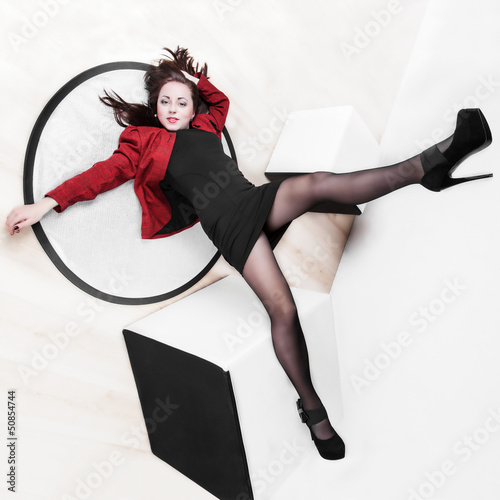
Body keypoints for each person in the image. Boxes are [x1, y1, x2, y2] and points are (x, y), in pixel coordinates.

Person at [6, 47, 493, 461]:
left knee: (317, 183)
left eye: (182, 100)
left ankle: (429, 164)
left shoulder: (205, 123)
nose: (174, 107)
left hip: (254, 200)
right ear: (155, 109)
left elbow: (218, 98)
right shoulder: (143, 143)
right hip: (230, 227)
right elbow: (101, 175)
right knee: (283, 308)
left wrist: (189, 79)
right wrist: (47, 202)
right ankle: (312, 408)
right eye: (165, 101)